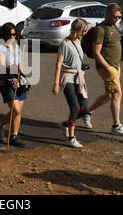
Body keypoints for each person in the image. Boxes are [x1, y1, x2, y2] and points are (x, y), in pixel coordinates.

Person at [88, 3, 123, 137]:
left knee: (109, 95)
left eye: (119, 16)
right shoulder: (100, 30)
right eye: (115, 16)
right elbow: (96, 52)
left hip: (115, 66)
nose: (117, 19)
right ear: (107, 14)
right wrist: (108, 67)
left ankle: (86, 112)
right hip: (107, 68)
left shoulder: (114, 27)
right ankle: (116, 125)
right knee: (117, 94)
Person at [52, 18, 91, 148]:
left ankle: (65, 124)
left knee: (85, 108)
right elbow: (58, 65)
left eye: (85, 31)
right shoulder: (64, 44)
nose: (84, 33)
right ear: (77, 29)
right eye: (83, 30)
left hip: (79, 77)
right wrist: (56, 84)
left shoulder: (78, 41)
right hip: (67, 77)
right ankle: (71, 137)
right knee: (74, 107)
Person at [0, 23, 27, 147]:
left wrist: (22, 75)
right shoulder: (0, 47)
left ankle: (14, 135)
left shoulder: (16, 46)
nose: (13, 37)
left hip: (18, 80)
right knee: (15, 109)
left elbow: (20, 64)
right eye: (10, 34)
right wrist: (15, 68)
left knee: (19, 111)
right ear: (4, 34)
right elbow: (2, 66)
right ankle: (0, 126)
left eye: (14, 34)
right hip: (5, 81)